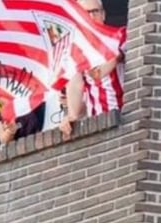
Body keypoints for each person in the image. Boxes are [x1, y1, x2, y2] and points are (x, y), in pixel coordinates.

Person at [62, 0, 126, 138]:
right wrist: (71, 115)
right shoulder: (75, 48)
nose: (91, 17)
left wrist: (110, 61)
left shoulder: (120, 36)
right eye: (85, 13)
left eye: (95, 11)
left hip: (123, 118)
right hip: (95, 126)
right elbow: (75, 85)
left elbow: (102, 69)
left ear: (103, 14)